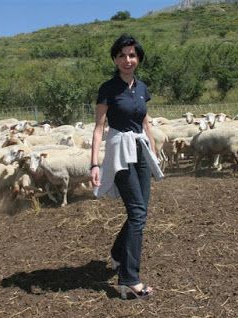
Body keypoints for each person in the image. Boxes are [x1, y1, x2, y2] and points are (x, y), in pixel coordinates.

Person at [90, 34, 163, 300]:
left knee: (140, 210)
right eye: (122, 55)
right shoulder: (108, 88)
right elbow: (99, 128)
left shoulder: (142, 88)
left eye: (132, 55)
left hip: (141, 150)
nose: (127, 60)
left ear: (138, 59)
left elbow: (145, 123)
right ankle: (129, 281)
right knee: (138, 214)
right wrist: (94, 163)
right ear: (115, 59)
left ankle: (117, 254)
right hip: (120, 150)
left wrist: (154, 153)